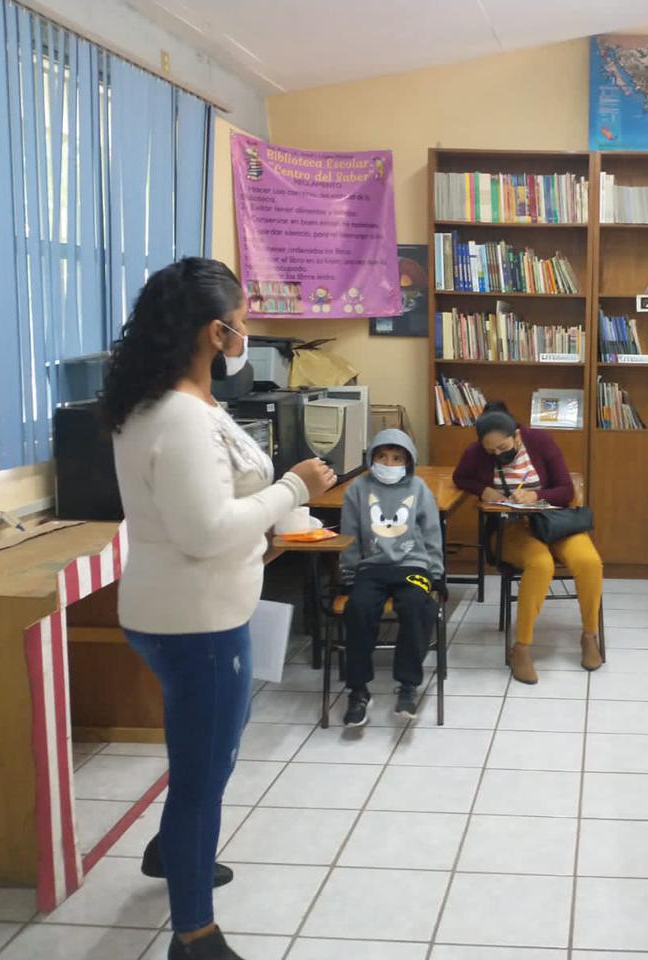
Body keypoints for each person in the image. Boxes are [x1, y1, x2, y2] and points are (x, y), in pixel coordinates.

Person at [102, 258, 335, 960]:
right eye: (241, 318)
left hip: (191, 610)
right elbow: (203, 533)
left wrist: (264, 519)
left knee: (202, 756)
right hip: (195, 623)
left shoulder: (177, 402)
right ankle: (194, 934)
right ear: (215, 330)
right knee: (205, 774)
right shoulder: (176, 415)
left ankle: (171, 855)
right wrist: (293, 489)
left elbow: (210, 511)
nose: (248, 332)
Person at [452, 401, 603, 684]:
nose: (498, 454)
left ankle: (589, 636)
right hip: (509, 529)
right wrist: (483, 489)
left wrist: (536, 496)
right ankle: (521, 648)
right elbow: (460, 477)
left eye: (503, 447)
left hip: (554, 522)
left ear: (517, 435)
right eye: (491, 450)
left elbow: (565, 489)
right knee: (540, 564)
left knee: (589, 561)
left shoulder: (540, 441)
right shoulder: (475, 453)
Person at [338, 429, 444, 727]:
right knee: (358, 609)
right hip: (371, 567)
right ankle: (358, 690)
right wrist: (348, 572)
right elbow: (349, 536)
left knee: (416, 607)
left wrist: (436, 573)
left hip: (413, 566)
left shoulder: (419, 488)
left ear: (408, 461)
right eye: (382, 456)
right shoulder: (357, 489)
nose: (389, 462)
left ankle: (408, 685)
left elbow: (432, 532)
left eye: (397, 458)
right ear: (371, 457)